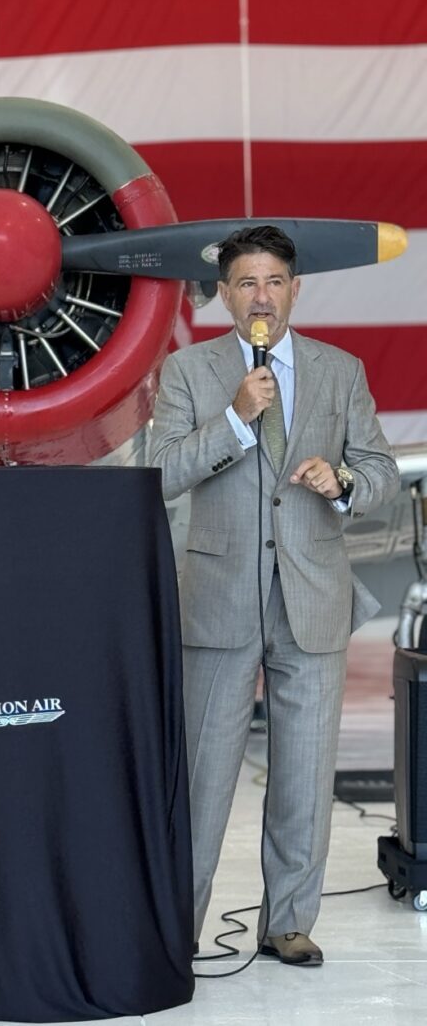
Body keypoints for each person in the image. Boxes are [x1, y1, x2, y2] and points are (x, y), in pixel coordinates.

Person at [148, 225, 400, 967]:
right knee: (202, 778)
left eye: (275, 282)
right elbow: (160, 472)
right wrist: (233, 418)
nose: (262, 295)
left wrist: (345, 482)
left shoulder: (339, 370)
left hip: (313, 597)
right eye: (247, 283)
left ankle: (288, 921)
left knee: (304, 777)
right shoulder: (189, 372)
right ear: (224, 295)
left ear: (296, 289)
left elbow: (381, 471)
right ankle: (176, 927)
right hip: (219, 598)